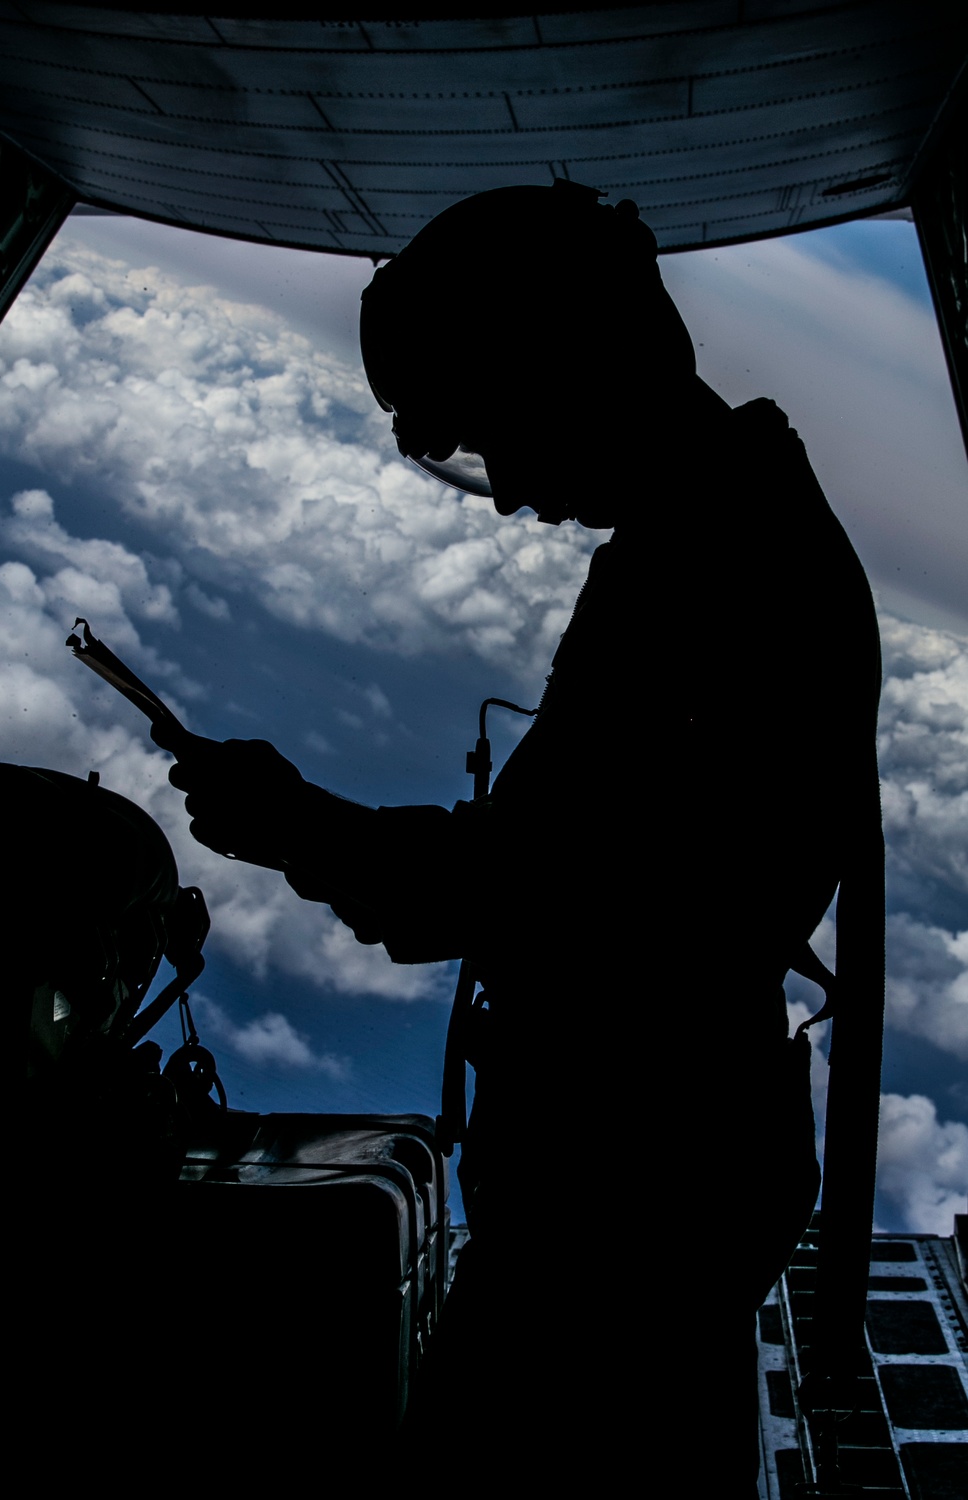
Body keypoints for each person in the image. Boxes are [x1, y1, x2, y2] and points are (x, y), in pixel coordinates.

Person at [161, 182, 881, 1490]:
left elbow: (523, 887)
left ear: (572, 365)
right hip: (668, 1171)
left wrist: (293, 824)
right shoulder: (731, 527)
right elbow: (579, 862)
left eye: (492, 435)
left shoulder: (705, 567)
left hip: (624, 1207)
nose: (501, 499)